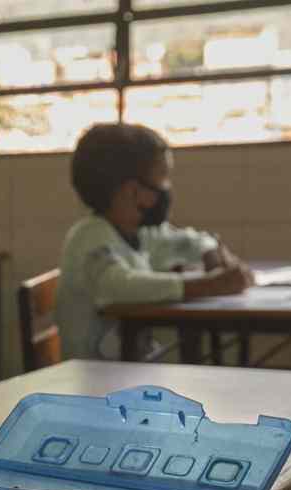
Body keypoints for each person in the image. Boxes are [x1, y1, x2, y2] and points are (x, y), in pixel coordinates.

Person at [58, 123, 252, 360]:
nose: (167, 188)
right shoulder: (89, 238)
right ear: (131, 191)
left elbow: (189, 240)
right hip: (92, 385)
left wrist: (209, 252)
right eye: (163, 177)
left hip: (128, 375)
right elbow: (119, 286)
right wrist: (207, 285)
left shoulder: (142, 233)